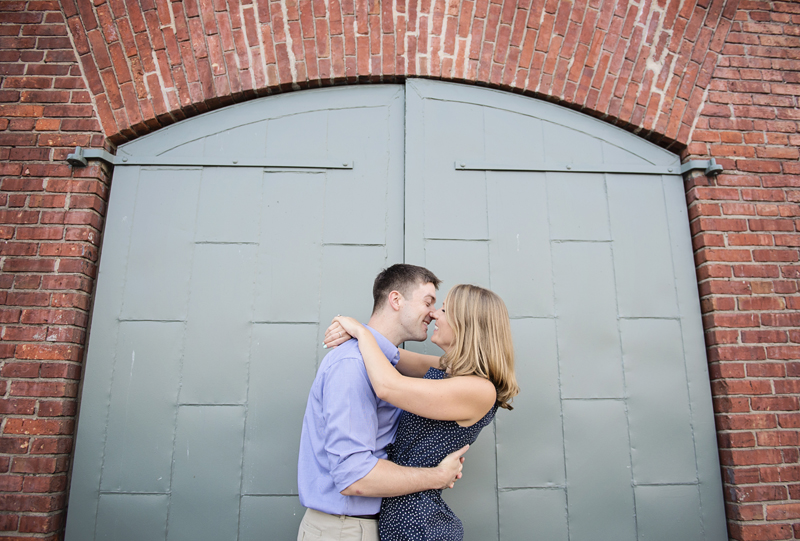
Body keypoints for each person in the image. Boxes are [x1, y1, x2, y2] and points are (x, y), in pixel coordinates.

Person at [324, 284, 519, 541]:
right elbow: (390, 353)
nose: (436, 314)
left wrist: (359, 330)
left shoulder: (479, 389)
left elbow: (387, 386)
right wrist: (352, 330)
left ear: (468, 324)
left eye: (445, 310)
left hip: (419, 525)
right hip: (401, 517)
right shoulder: (451, 371)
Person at [297, 264, 470, 541]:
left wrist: (360, 331)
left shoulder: (384, 363)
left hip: (363, 527)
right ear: (396, 299)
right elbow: (355, 477)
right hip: (345, 529)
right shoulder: (353, 365)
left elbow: (457, 367)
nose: (433, 313)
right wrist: (438, 476)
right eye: (428, 302)